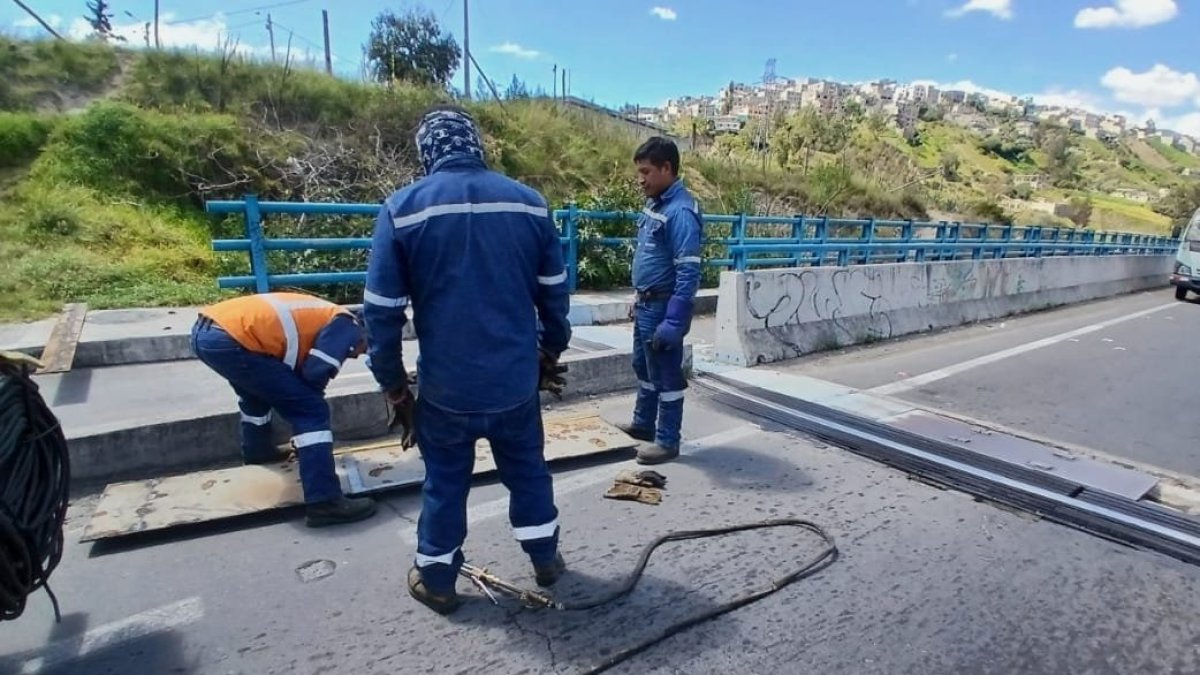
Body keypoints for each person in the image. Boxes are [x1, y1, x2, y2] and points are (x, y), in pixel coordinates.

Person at [362, 104, 573, 615]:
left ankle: (436, 579)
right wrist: (549, 350)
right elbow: (554, 294)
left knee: (446, 483)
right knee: (527, 472)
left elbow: (382, 314)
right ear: (475, 144)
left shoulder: (402, 209)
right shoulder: (529, 205)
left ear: (428, 152)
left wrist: (394, 387)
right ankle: (545, 558)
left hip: (447, 391)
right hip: (514, 384)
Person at [190, 291, 378, 527]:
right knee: (311, 410)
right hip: (233, 338)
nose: (355, 355)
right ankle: (325, 502)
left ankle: (257, 450)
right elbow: (315, 372)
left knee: (256, 396)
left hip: (208, 332)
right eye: (361, 350)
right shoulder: (348, 327)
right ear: (365, 334)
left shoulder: (328, 315)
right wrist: (306, 406)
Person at [617, 137, 703, 465]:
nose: (641, 179)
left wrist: (675, 320)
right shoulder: (657, 205)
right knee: (643, 366)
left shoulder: (681, 212)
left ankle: (667, 440)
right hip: (646, 303)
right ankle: (643, 424)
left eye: (646, 171)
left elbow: (688, 270)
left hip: (664, 308)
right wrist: (638, 295)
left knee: (665, 373)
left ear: (667, 169)